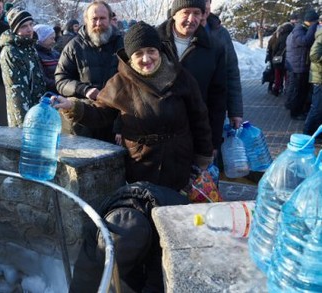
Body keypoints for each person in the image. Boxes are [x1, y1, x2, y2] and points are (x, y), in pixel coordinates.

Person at [53, 21, 213, 292]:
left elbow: (200, 118)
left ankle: (170, 279)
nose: (146, 58)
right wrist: (74, 107)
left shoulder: (180, 76)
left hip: (179, 163)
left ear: (160, 50)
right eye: (138, 53)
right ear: (129, 56)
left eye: (151, 51)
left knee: (174, 226)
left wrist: (203, 158)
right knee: (147, 227)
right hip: (143, 165)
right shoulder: (120, 83)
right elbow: (101, 112)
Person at [157, 0, 227, 152]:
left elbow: (218, 97)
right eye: (186, 12)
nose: (191, 19)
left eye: (196, 13)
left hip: (194, 130)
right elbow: (131, 83)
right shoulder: (154, 42)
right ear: (174, 14)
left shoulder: (214, 48)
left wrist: (213, 141)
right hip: (155, 131)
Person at [55, 0, 123, 142]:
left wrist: (122, 124)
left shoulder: (122, 45)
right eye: (94, 19)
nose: (98, 23)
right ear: (86, 20)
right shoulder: (73, 47)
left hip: (116, 121)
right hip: (82, 121)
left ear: (110, 19)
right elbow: (61, 80)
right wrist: (83, 89)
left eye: (103, 18)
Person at [0, 8, 46, 127]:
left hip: (37, 110)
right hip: (24, 115)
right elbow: (16, 91)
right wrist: (25, 123)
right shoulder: (10, 51)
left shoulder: (30, 47)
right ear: (15, 29)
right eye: (23, 26)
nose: (29, 29)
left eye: (31, 24)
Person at [201, 0, 243, 129]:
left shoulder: (220, 33)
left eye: (205, 1)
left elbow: (232, 72)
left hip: (215, 109)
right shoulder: (179, 33)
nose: (202, 6)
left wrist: (235, 111)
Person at [285, 9, 319, 120]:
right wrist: (314, 28)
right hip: (297, 67)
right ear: (311, 21)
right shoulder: (299, 29)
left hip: (300, 65)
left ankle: (299, 110)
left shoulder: (302, 29)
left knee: (301, 91)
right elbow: (304, 41)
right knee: (298, 91)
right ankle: (295, 113)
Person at [304, 24, 322, 137]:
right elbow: (314, 55)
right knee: (317, 107)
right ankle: (307, 133)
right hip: (319, 77)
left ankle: (317, 134)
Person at [34, 24, 60, 92]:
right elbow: (43, 79)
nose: (54, 41)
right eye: (51, 38)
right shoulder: (36, 55)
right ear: (41, 38)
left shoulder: (55, 53)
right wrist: (61, 84)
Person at [269, 22, 294, 96]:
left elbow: (275, 48)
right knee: (287, 76)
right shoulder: (292, 37)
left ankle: (276, 89)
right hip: (288, 59)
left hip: (278, 59)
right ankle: (287, 90)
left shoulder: (281, 36)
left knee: (278, 76)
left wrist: (274, 56)